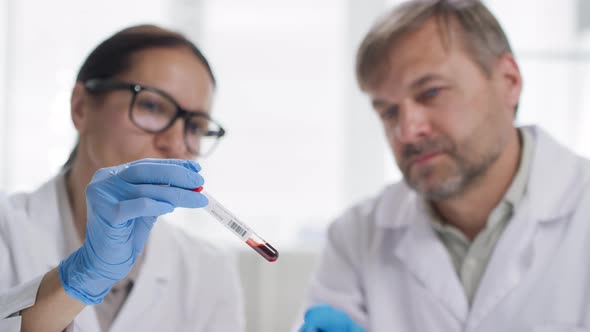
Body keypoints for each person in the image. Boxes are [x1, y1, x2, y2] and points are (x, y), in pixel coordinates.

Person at [299, 1, 590, 331]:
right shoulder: (357, 236)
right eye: (388, 112)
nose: (408, 131)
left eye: (431, 92)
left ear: (509, 81)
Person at [0, 25, 244, 331]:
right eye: (153, 106)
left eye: (194, 127)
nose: (176, 143)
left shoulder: (209, 270)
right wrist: (82, 276)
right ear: (80, 107)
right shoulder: (6, 231)